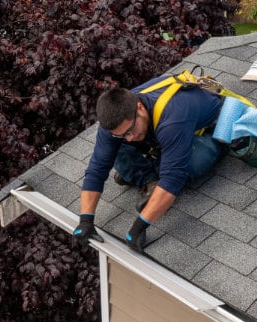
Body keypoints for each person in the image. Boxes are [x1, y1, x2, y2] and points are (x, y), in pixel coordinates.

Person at [72, 77, 226, 252]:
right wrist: (85, 220)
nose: (129, 138)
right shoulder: (117, 122)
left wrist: (139, 227)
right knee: (115, 146)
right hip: (165, 132)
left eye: (129, 131)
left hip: (206, 126)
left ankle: (173, 159)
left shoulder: (172, 119)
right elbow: (97, 168)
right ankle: (151, 177)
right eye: (122, 134)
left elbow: (172, 180)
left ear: (139, 108)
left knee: (192, 164)